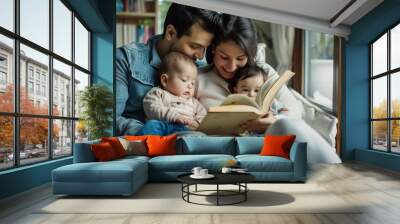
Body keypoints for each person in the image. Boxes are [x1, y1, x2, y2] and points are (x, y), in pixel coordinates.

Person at [116, 3, 221, 135]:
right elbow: (109, 119)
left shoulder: (199, 70)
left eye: (204, 48)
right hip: (141, 144)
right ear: (171, 33)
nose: (200, 56)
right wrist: (152, 133)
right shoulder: (126, 59)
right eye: (195, 46)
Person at [196, 15, 280, 133]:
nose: (231, 67)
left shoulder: (264, 73)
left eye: (240, 58)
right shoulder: (196, 79)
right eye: (224, 57)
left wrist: (276, 120)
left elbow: (294, 111)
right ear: (213, 48)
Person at [137, 51, 206, 136]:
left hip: (185, 129)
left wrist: (198, 123)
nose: (190, 86)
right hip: (164, 125)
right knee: (151, 125)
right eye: (184, 80)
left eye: (193, 83)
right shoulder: (158, 93)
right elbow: (151, 107)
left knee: (199, 135)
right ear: (165, 80)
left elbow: (203, 115)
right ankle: (142, 146)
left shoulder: (193, 102)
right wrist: (174, 116)